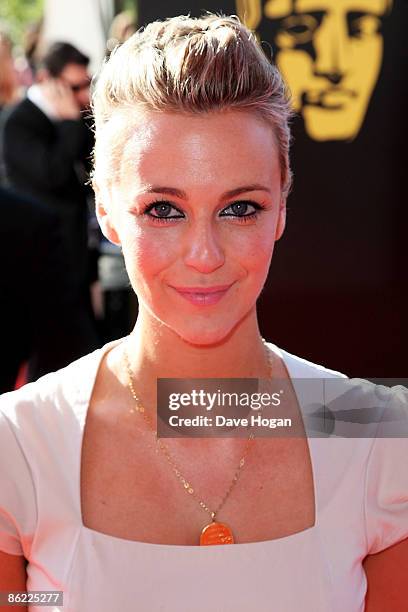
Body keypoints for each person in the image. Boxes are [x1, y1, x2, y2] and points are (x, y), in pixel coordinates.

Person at [0, 14, 407, 612]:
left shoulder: (374, 432)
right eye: (164, 210)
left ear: (282, 207)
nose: (205, 256)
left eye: (240, 208)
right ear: (106, 210)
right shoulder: (21, 444)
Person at [1, 41, 99, 352]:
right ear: (47, 81)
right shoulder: (19, 122)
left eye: (88, 83)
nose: (83, 94)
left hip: (80, 254)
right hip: (42, 263)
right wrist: (71, 123)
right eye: (75, 86)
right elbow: (50, 174)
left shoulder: (79, 114)